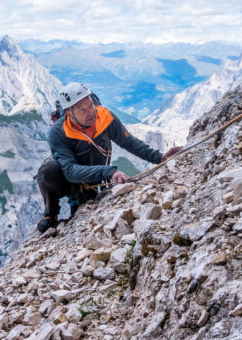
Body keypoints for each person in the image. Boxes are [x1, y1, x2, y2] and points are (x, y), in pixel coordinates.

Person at [35, 82, 182, 233]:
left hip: (92, 180)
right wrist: (109, 172)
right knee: (48, 170)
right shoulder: (58, 132)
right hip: (69, 179)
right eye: (82, 110)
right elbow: (70, 171)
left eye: (91, 105)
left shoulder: (104, 118)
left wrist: (159, 157)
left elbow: (129, 142)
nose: (91, 112)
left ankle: (78, 201)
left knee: (82, 214)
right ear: (69, 113)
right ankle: (51, 214)